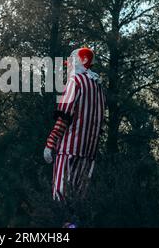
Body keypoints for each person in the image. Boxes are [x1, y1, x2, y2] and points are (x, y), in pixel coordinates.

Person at [43, 47, 106, 206]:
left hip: (69, 150)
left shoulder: (75, 82)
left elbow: (64, 116)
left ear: (81, 61)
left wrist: (50, 143)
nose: (68, 66)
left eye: (70, 63)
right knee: (79, 201)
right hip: (89, 154)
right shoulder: (98, 88)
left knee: (61, 197)